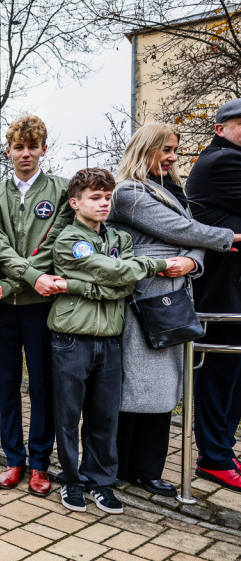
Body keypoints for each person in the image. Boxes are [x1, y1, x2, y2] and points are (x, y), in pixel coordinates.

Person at [108, 122, 237, 497]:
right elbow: (181, 230)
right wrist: (227, 237)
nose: (172, 157)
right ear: (145, 149)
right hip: (142, 301)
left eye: (174, 150)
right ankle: (118, 468)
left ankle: (148, 470)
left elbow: (192, 233)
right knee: (134, 387)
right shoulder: (128, 193)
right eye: (165, 149)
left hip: (174, 299)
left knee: (165, 388)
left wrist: (192, 262)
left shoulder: (172, 191)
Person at [49, 167, 178, 514]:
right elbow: (115, 272)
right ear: (75, 203)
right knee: (68, 416)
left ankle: (100, 482)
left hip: (109, 340)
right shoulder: (68, 240)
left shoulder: (120, 239)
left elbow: (125, 284)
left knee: (104, 417)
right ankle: (72, 480)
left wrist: (75, 286)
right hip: (71, 339)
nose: (104, 203)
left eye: (107, 197)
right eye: (95, 197)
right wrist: (157, 264)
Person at [0, 115, 74, 497]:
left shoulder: (62, 191)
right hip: (2, 305)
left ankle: (39, 463)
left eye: (32, 147)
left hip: (43, 304)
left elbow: (57, 244)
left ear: (43, 149)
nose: (25, 154)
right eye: (18, 148)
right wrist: (27, 276)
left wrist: (29, 280)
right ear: (8, 151)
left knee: (42, 386)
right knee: (6, 384)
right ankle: (13, 459)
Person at [189, 98, 241, 492]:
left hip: (231, 292)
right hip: (221, 296)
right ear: (220, 129)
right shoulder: (222, 160)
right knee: (218, 376)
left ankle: (222, 449)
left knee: (234, 377)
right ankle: (214, 458)